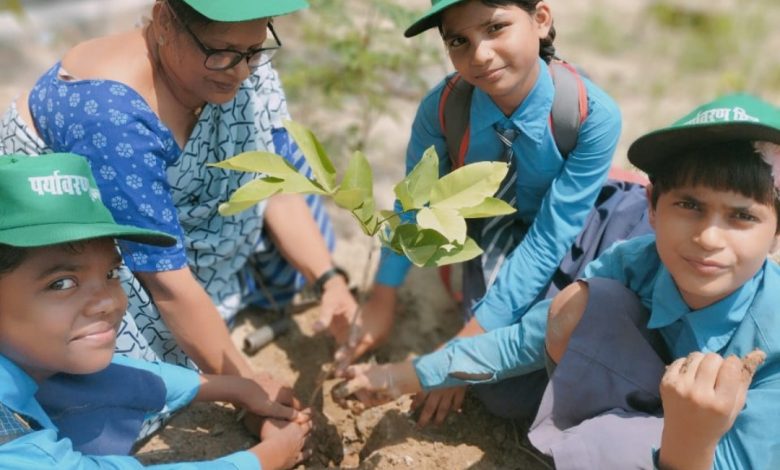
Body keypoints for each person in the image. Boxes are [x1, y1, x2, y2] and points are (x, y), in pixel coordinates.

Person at [341, 93, 780, 468]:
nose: (708, 238)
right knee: (575, 307)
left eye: (742, 216)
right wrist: (405, 376)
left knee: (611, 446)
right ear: (651, 206)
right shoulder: (636, 262)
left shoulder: (772, 337)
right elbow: (522, 342)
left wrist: (692, 437)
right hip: (655, 409)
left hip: (704, 453)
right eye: (689, 205)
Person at [0, 0, 357, 435]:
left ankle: (224, 309)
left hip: (191, 233)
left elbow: (274, 183)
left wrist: (330, 281)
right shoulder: (109, 114)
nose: (240, 71)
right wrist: (248, 389)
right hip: (108, 252)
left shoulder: (242, 69)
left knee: (301, 183)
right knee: (109, 368)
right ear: (166, 20)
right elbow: (164, 280)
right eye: (222, 52)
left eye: (254, 50)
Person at [329, 0, 650, 425]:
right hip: (495, 233)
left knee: (627, 288)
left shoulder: (590, 113)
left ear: (541, 20)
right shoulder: (443, 111)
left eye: (496, 28)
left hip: (578, 222)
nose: (479, 54)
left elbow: (550, 236)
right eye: (459, 41)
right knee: (506, 392)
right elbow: (415, 206)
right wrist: (382, 296)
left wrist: (457, 353)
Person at [0, 153, 312, 469]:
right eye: (62, 283)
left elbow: (119, 377)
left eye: (111, 273)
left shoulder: (30, 358)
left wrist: (235, 387)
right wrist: (267, 457)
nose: (108, 302)